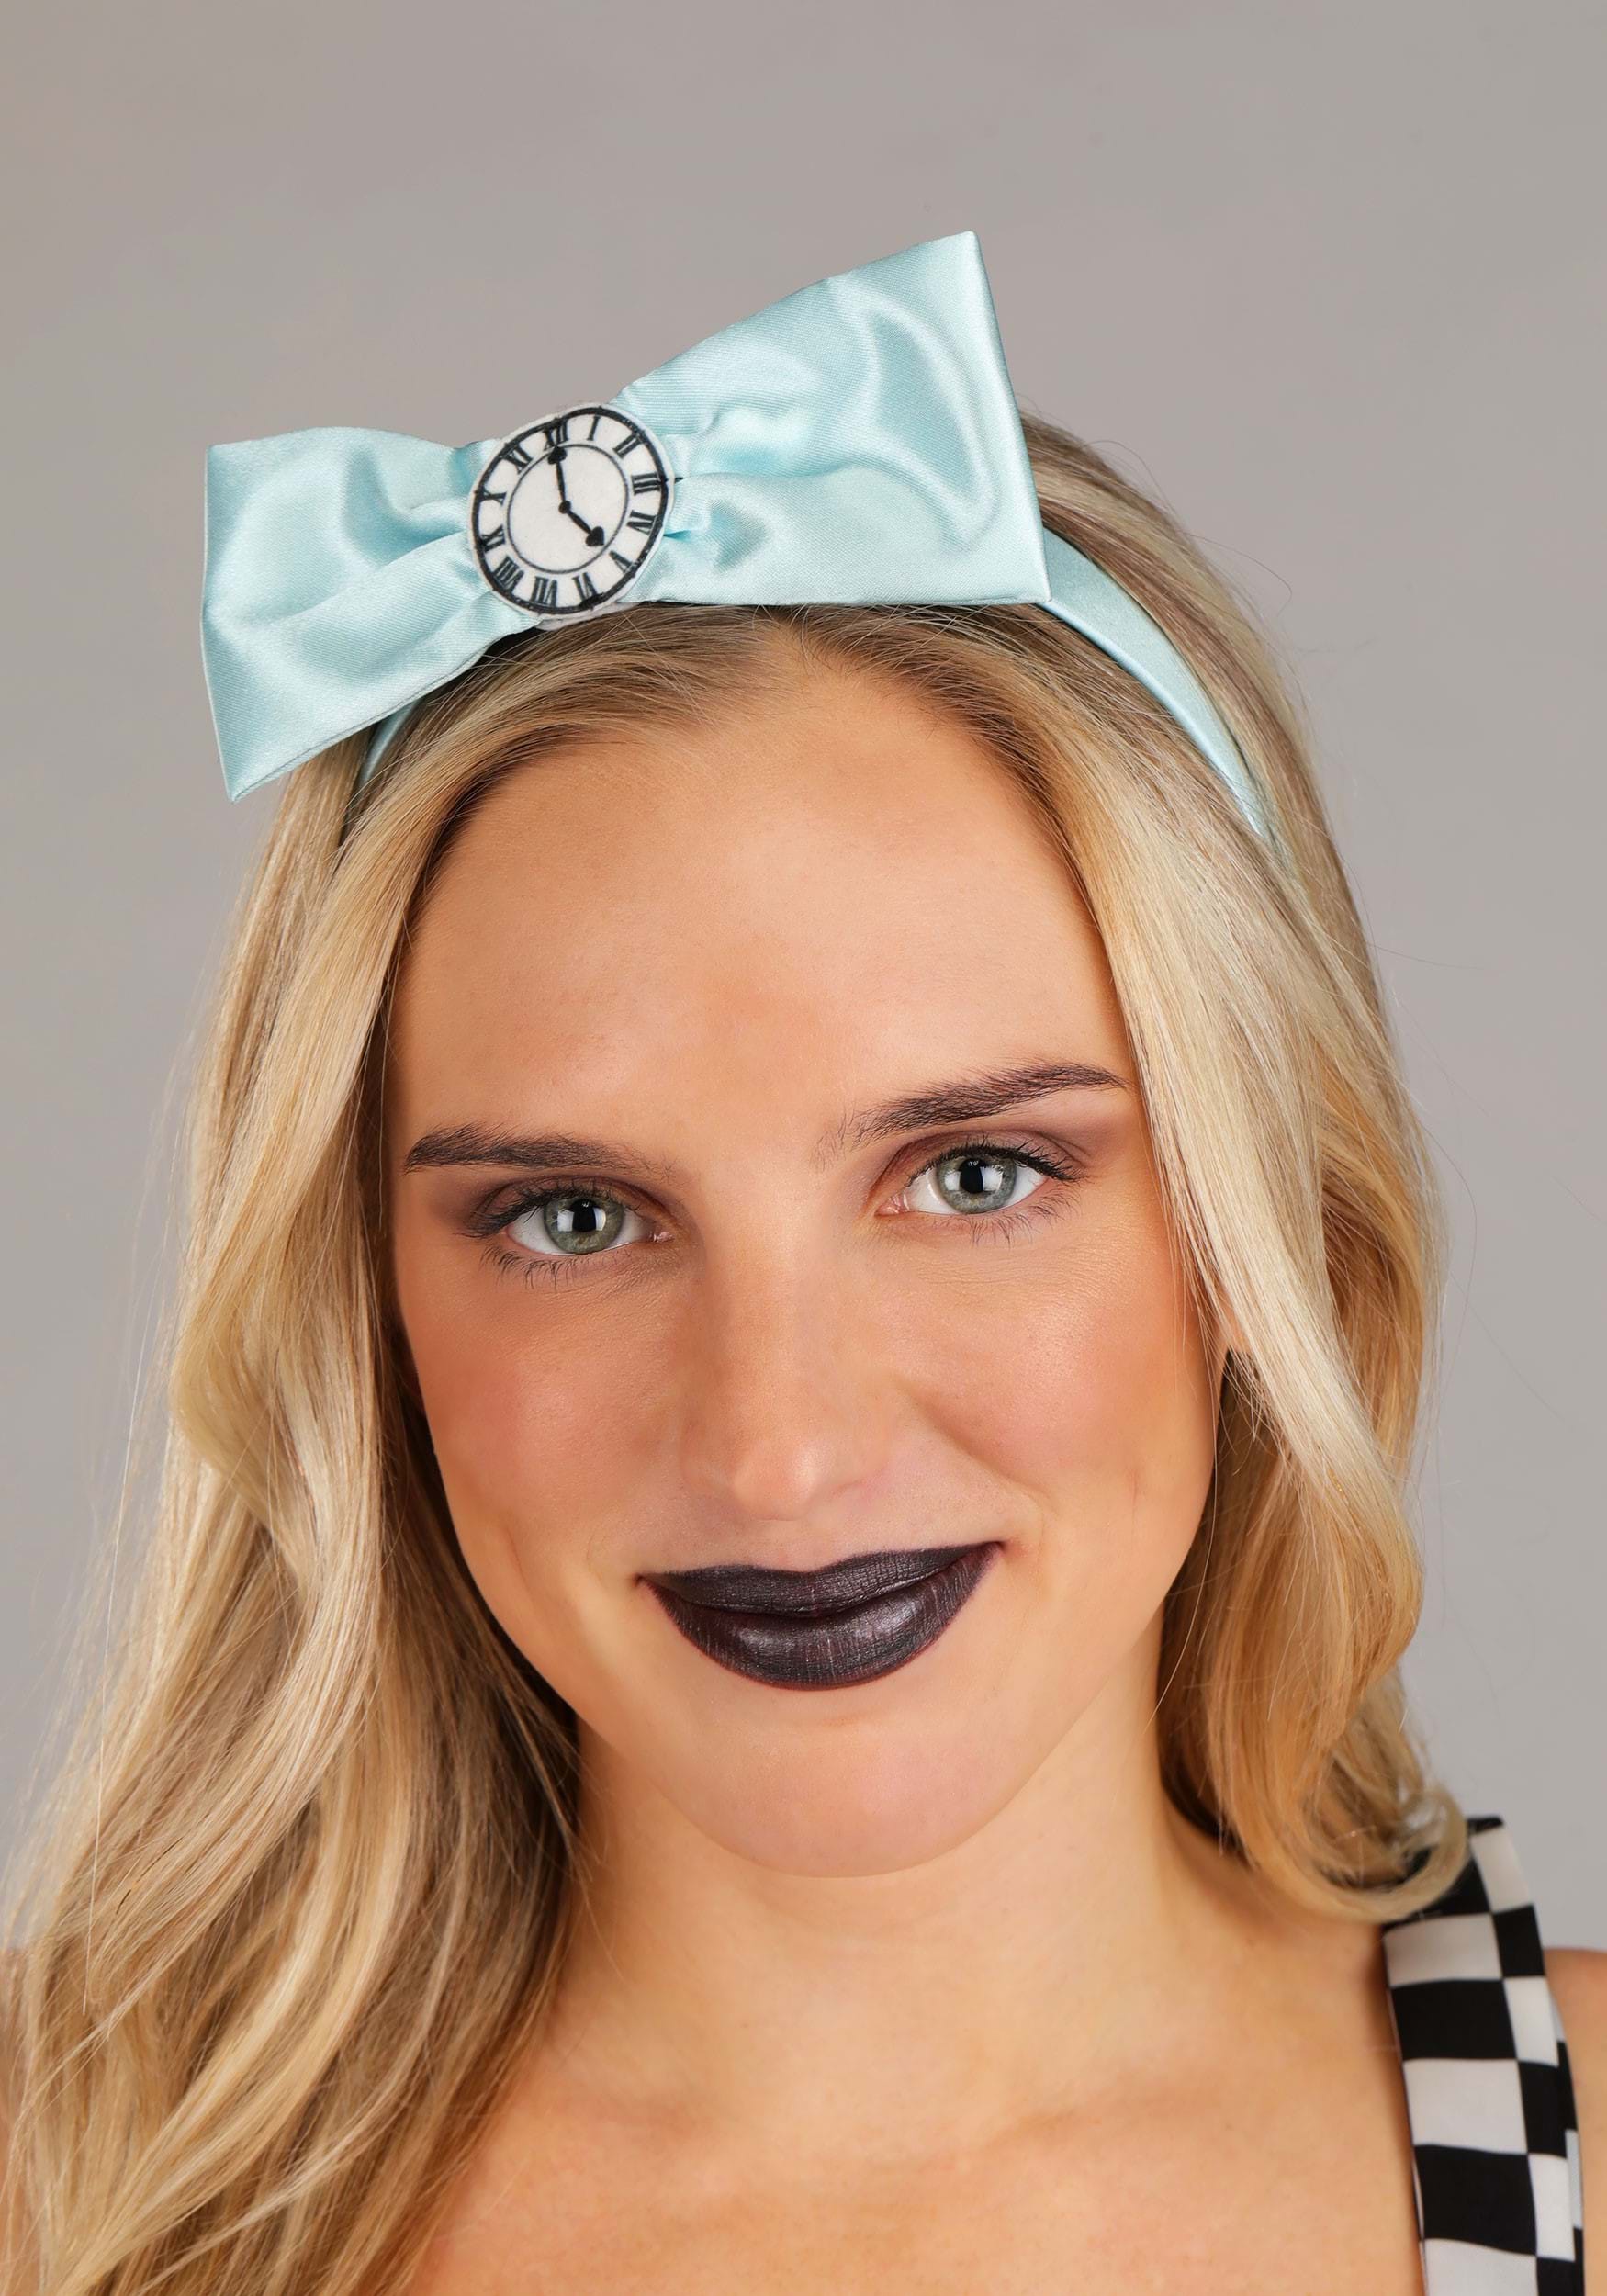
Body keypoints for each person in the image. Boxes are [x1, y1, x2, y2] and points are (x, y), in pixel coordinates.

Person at [1, 232, 1600, 2294]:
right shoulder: (64, 2182)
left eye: (973, 1176)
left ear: (1267, 1220)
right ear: (361, 1305)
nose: (779, 1449)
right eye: (573, 1219)